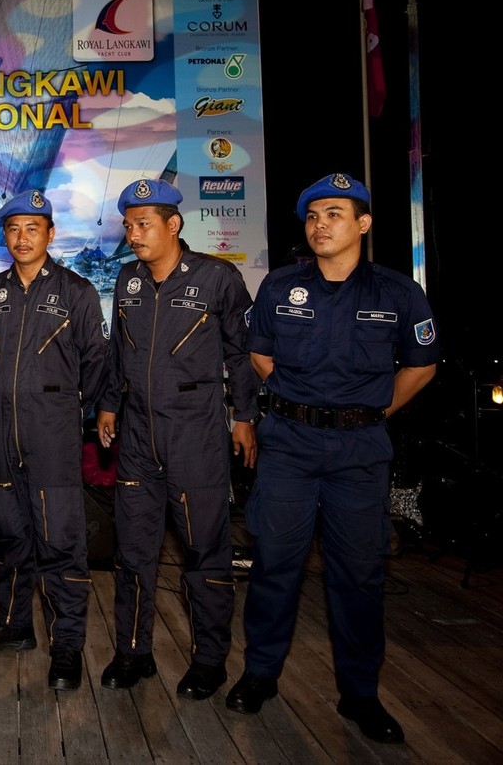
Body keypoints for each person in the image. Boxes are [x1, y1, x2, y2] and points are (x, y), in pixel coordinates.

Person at [225, 173, 438, 744]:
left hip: (360, 453)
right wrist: (305, 405)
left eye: (335, 214)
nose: (321, 225)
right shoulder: (280, 287)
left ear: (363, 224)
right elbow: (259, 353)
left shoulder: (397, 294)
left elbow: (422, 365)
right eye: (314, 216)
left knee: (359, 577)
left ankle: (360, 695)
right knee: (275, 568)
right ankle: (260, 675)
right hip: (290, 446)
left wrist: (367, 412)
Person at [96, 177, 260, 699]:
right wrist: (107, 403)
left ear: (174, 224)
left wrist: (244, 417)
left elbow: (241, 355)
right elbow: (118, 353)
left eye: (143, 224)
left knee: (205, 551)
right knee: (134, 552)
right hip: (139, 437)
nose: (134, 233)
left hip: (196, 435)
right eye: (128, 224)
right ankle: (133, 652)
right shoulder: (128, 281)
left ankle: (209, 660)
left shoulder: (218, 278)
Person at [0, 189, 108, 691]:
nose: (22, 238)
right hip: (0, 431)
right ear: (5, 237)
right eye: (13, 229)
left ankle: (66, 647)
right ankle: (14, 624)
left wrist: (79, 415)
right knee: (8, 536)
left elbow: (97, 363)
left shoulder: (77, 291)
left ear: (50, 234)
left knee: (61, 542)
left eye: (32, 228)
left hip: (53, 433)